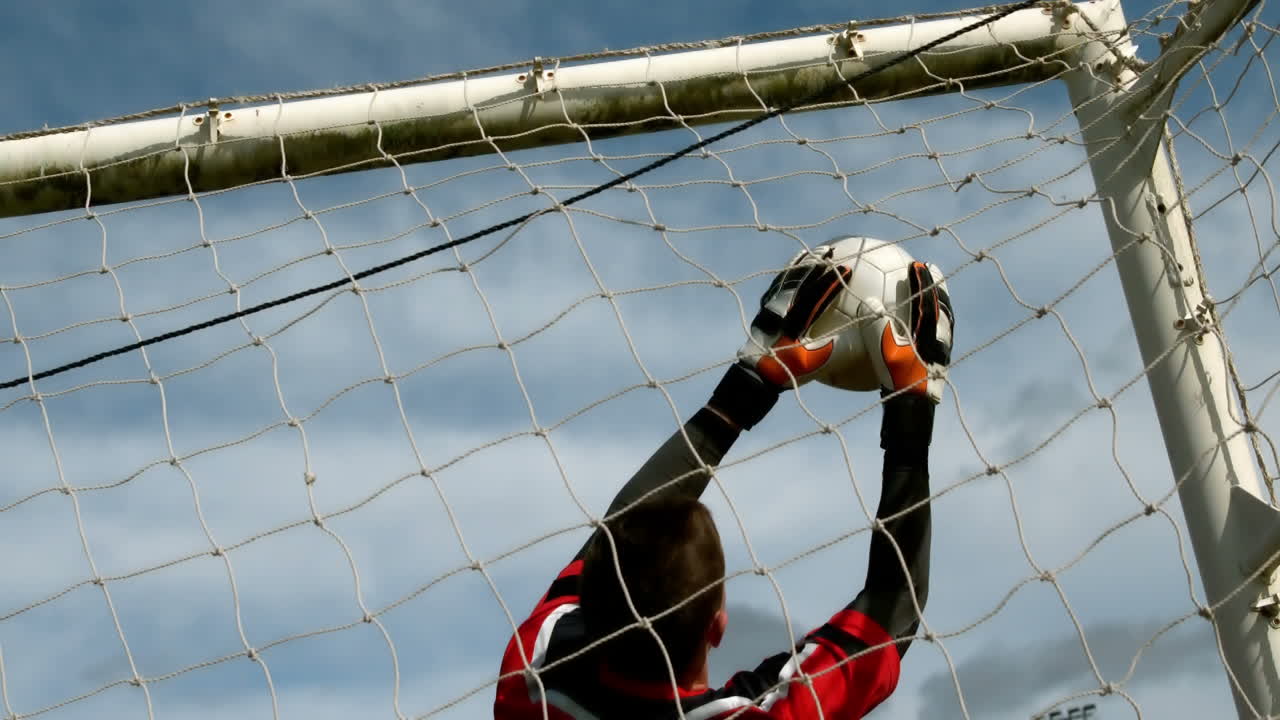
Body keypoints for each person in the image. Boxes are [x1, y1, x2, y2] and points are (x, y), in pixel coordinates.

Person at [495, 255, 954, 719]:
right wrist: (753, 380)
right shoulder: (527, 680)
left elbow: (895, 609)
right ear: (718, 627)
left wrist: (913, 408)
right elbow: (894, 615)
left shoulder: (535, 684)